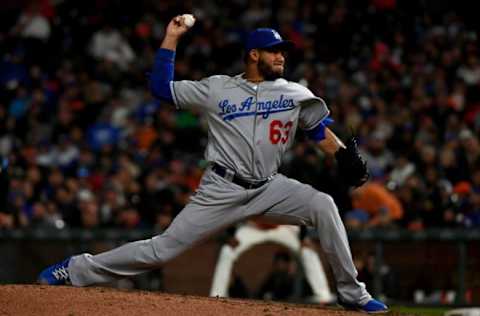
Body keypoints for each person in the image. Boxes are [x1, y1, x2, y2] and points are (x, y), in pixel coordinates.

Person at [38, 15, 388, 314]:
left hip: (269, 185)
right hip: (221, 187)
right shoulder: (217, 89)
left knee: (323, 205)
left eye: (284, 51)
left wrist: (343, 155)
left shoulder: (293, 92)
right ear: (254, 55)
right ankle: (77, 269)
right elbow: (162, 88)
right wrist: (172, 37)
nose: (282, 56)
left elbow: (318, 130)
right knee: (161, 250)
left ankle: (352, 294)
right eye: (274, 51)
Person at [210, 219, 334, 304]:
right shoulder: (249, 186)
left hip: (283, 226)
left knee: (308, 251)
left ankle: (323, 295)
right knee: (227, 250)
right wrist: (231, 235)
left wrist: (303, 237)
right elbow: (236, 209)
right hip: (255, 226)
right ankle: (217, 294)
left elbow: (300, 210)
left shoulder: (285, 188)